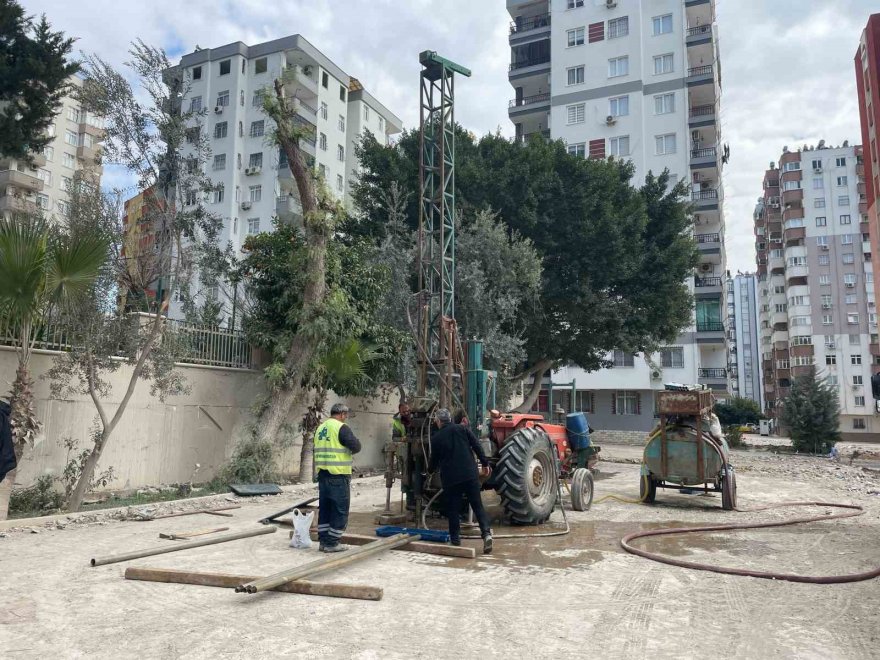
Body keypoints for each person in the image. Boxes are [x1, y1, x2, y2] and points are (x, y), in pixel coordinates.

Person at [429, 408, 493, 554]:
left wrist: (429, 472)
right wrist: (485, 463)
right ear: (450, 419)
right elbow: (477, 445)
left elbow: (433, 461)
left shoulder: (437, 438)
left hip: (451, 479)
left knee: (453, 509)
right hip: (470, 475)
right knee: (477, 506)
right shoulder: (462, 429)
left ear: (438, 421)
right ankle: (486, 534)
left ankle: (456, 540)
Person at [314, 403, 361, 553]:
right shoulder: (341, 428)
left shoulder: (321, 428)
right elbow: (356, 446)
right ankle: (333, 543)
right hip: (338, 475)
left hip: (323, 475)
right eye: (345, 415)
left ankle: (323, 541)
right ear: (341, 414)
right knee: (339, 510)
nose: (346, 418)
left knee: (325, 509)